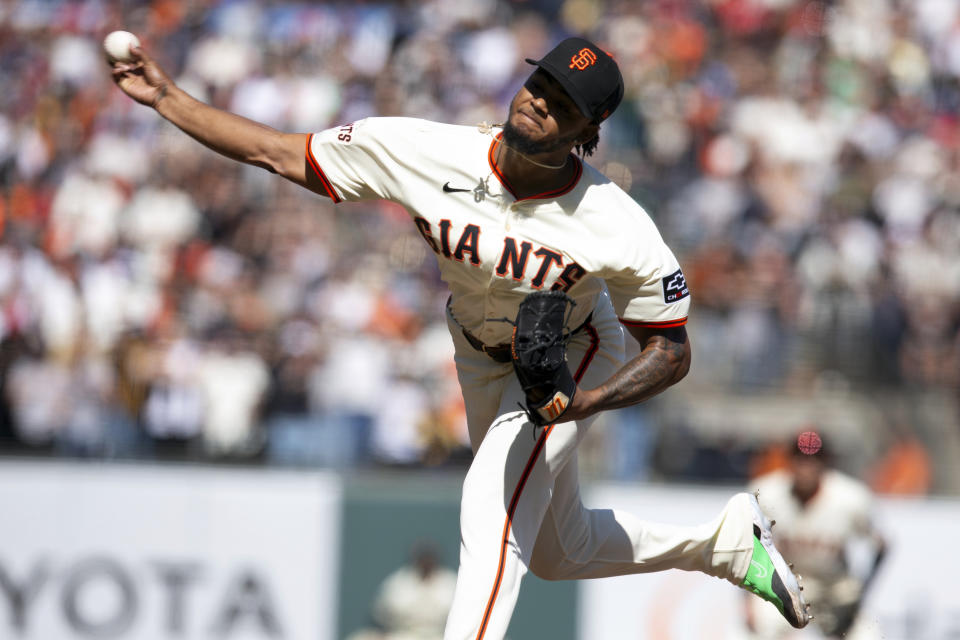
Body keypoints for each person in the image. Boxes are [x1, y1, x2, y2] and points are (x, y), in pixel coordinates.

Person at [109, 35, 810, 639]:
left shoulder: (614, 222)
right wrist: (168, 98)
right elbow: (276, 152)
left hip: (572, 353)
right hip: (477, 351)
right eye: (541, 81)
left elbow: (672, 349)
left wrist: (585, 400)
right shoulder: (427, 151)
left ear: (585, 130)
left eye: (562, 100)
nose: (539, 99)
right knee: (557, 552)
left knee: (491, 504)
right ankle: (720, 544)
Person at [746, 432, 888, 639]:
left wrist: (859, 596)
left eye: (813, 461)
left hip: (836, 589)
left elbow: (881, 546)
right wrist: (748, 601)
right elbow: (749, 547)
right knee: (761, 626)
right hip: (787, 585)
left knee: (868, 635)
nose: (806, 468)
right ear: (790, 462)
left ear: (825, 464)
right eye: (800, 459)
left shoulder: (850, 498)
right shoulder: (766, 493)